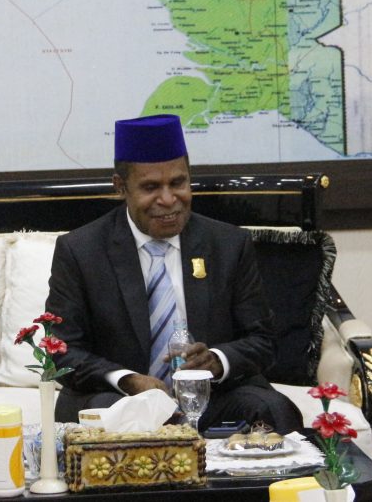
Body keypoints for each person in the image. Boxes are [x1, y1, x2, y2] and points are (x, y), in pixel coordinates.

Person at [47, 113, 303, 433]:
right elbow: (62, 350)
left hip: (212, 397)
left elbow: (263, 341)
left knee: (273, 408)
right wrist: (128, 379)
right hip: (119, 398)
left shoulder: (228, 244)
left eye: (178, 183)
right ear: (120, 187)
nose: (168, 200)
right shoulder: (80, 251)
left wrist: (216, 360)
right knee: (110, 416)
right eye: (151, 187)